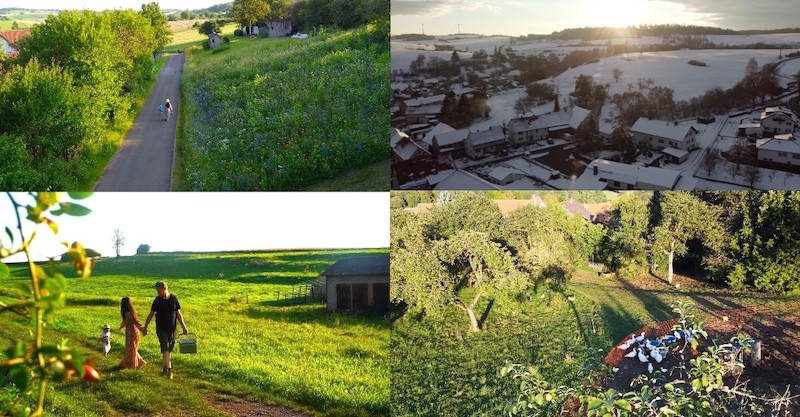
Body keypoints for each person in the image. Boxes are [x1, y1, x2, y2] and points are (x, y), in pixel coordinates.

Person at [144, 281, 188, 380]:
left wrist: (184, 327)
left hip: (172, 329)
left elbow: (178, 314)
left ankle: (165, 367)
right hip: (161, 328)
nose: (157, 293)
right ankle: (169, 370)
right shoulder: (157, 300)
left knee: (169, 348)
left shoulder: (173, 299)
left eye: (158, 290)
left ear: (164, 289)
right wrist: (145, 326)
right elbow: (150, 314)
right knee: (165, 346)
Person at [118, 297, 147, 369]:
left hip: (132, 333)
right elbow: (125, 322)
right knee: (131, 348)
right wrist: (121, 327)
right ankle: (137, 362)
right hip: (130, 332)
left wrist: (142, 329)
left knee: (131, 348)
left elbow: (136, 323)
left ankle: (137, 362)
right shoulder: (129, 313)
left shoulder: (128, 314)